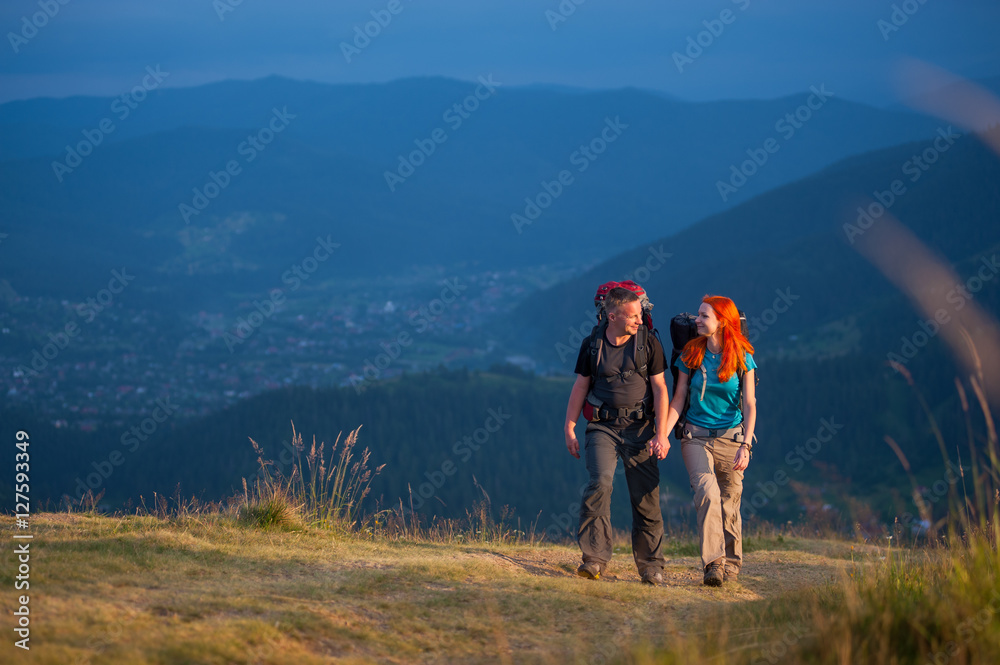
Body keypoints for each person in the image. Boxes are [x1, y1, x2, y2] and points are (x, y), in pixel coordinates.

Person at [564, 287, 670, 585]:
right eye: (634, 315)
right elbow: (580, 387)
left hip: (641, 429)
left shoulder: (649, 343)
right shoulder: (592, 346)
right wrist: (569, 427)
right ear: (612, 316)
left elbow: (661, 389)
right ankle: (594, 559)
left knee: (645, 496)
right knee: (600, 484)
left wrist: (662, 433)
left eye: (640, 314)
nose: (640, 320)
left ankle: (651, 566)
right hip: (603, 427)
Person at [654, 295, 756, 586]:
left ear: (722, 321)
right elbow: (679, 397)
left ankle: (732, 565)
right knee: (708, 495)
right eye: (698, 315)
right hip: (695, 437)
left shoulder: (742, 357)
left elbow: (749, 403)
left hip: (732, 439)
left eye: (704, 316)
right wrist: (663, 435)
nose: (696, 320)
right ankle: (713, 564)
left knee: (729, 502)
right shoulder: (691, 353)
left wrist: (746, 445)